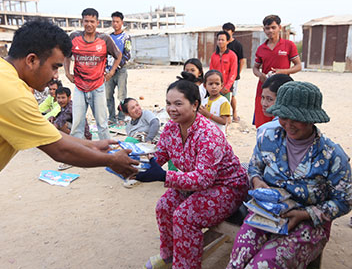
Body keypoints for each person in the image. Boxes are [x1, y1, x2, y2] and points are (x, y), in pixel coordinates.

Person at [0, 20, 138, 268]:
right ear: (31, 60)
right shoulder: (10, 92)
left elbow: (52, 136)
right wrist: (111, 160)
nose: (55, 76)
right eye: (54, 67)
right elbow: (58, 150)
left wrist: (95, 146)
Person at [227, 81, 352, 269]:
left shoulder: (331, 155)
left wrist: (303, 214)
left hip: (309, 224)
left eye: (296, 118)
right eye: (283, 116)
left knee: (264, 265)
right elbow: (254, 166)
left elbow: (344, 201)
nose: (288, 124)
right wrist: (257, 180)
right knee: (237, 261)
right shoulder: (267, 138)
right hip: (266, 215)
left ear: (312, 119)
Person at [136, 76, 249, 269]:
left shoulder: (208, 134)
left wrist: (163, 176)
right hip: (194, 184)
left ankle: (185, 265)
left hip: (227, 187)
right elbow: (160, 154)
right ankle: (169, 256)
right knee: (164, 206)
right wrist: (136, 165)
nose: (171, 109)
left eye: (178, 104)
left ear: (195, 104)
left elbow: (204, 179)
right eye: (169, 103)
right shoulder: (171, 127)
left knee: (185, 216)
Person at [64, 8, 122, 140]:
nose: (89, 24)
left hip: (98, 86)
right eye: (86, 21)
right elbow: (66, 56)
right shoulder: (74, 37)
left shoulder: (104, 39)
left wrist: (111, 71)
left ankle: (107, 151)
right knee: (77, 123)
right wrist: (67, 72)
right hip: (79, 86)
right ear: (82, 21)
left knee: (102, 122)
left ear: (97, 22)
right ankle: (77, 152)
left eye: (92, 21)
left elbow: (118, 55)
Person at [252, 15, 301, 128]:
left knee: (283, 122)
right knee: (263, 122)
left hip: (283, 89)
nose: (270, 31)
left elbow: (298, 66)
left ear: (279, 27)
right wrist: (260, 75)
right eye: (267, 28)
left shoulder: (289, 45)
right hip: (263, 89)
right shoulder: (261, 49)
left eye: (273, 27)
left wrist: (283, 72)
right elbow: (255, 68)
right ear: (264, 29)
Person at [105, 11, 132, 125]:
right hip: (108, 72)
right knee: (108, 95)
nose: (115, 24)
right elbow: (105, 54)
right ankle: (111, 117)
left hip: (121, 70)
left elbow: (127, 54)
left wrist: (116, 67)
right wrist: (107, 69)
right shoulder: (109, 38)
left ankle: (121, 117)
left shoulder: (126, 37)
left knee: (121, 95)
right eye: (113, 21)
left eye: (117, 21)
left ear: (122, 23)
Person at [256, 74, 294, 139]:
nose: (264, 104)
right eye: (263, 97)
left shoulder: (265, 131)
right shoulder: (306, 127)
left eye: (270, 99)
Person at [222, 23, 246, 123]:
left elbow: (242, 60)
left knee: (232, 95)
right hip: (222, 75)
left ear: (232, 32)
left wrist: (237, 73)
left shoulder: (237, 45)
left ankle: (234, 113)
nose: (225, 33)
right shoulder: (222, 44)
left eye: (227, 31)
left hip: (233, 76)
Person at [198, 70, 231, 135]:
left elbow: (224, 121)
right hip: (205, 135)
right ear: (205, 86)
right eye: (210, 84)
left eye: (217, 84)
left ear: (221, 85)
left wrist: (208, 114)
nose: (214, 87)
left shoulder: (223, 101)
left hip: (218, 135)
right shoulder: (204, 101)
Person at [209, 31, 238, 102]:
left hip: (226, 90)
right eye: (219, 40)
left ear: (227, 41)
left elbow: (233, 73)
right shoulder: (213, 56)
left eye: (222, 40)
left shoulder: (232, 55)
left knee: (225, 109)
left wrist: (227, 87)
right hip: (214, 88)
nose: (220, 42)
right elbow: (211, 71)